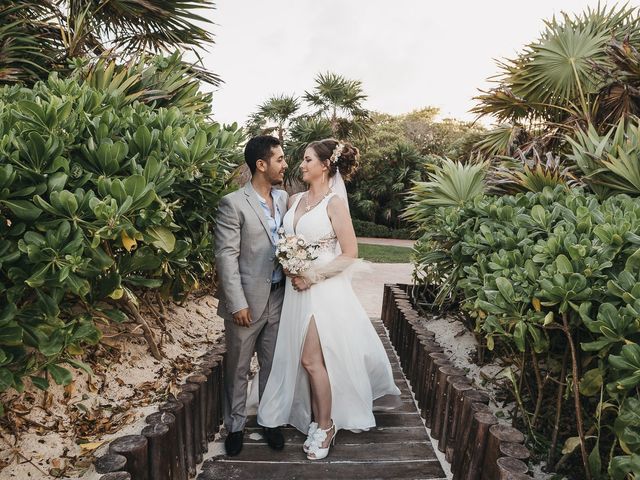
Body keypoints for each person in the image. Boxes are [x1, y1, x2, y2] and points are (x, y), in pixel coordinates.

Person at [257, 138, 401, 460]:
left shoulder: (334, 204)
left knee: (311, 360)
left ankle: (325, 425)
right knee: (305, 361)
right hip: (297, 292)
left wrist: (312, 276)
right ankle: (316, 418)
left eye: (308, 160)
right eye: (302, 160)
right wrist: (289, 264)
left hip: (323, 291)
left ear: (325, 165)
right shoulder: (294, 200)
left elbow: (350, 253)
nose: (302, 165)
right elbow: (286, 242)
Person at [214, 135, 289, 456]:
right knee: (239, 369)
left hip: (279, 297)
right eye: (280, 159)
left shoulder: (285, 199)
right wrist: (237, 302)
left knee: (273, 364)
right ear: (261, 165)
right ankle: (235, 426)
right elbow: (225, 256)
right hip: (246, 302)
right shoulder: (233, 203)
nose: (285, 165)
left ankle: (270, 421)